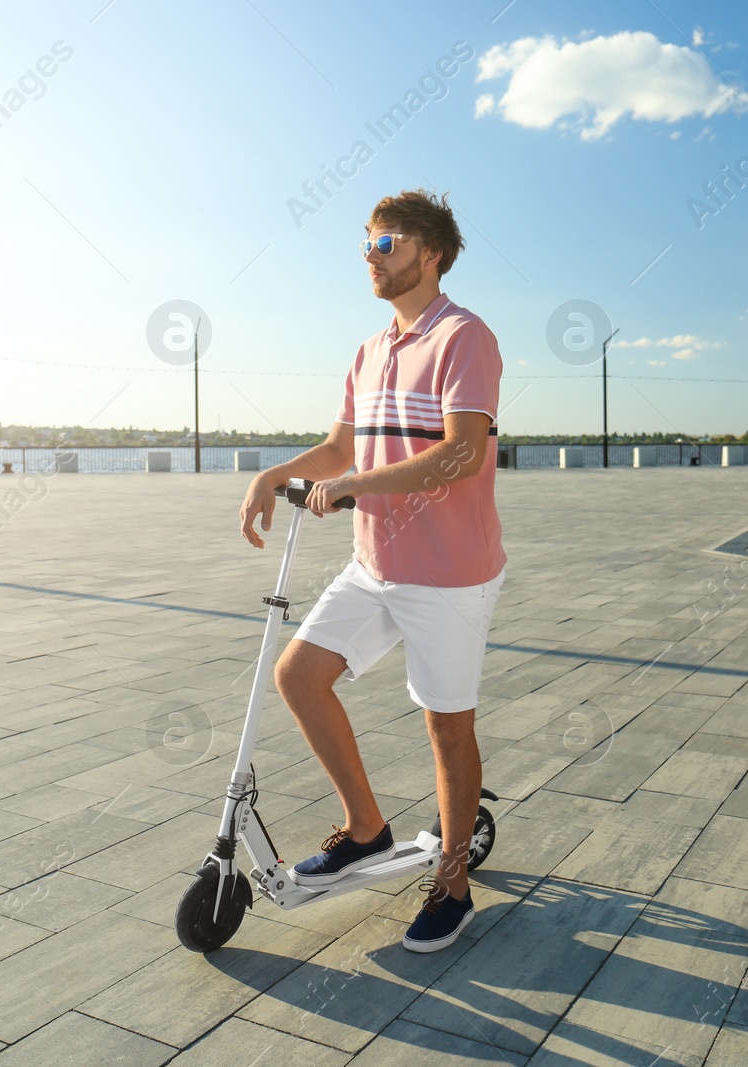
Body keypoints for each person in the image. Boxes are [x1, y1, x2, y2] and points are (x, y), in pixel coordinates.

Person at [238, 189, 505, 953]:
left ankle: (453, 880)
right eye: (366, 242)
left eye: (386, 242)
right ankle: (366, 828)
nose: (371, 255)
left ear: (432, 252)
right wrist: (274, 473)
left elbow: (461, 453)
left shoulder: (464, 337)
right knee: (297, 675)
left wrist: (355, 485)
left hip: (450, 571)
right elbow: (340, 449)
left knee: (447, 726)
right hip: (374, 562)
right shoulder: (371, 350)